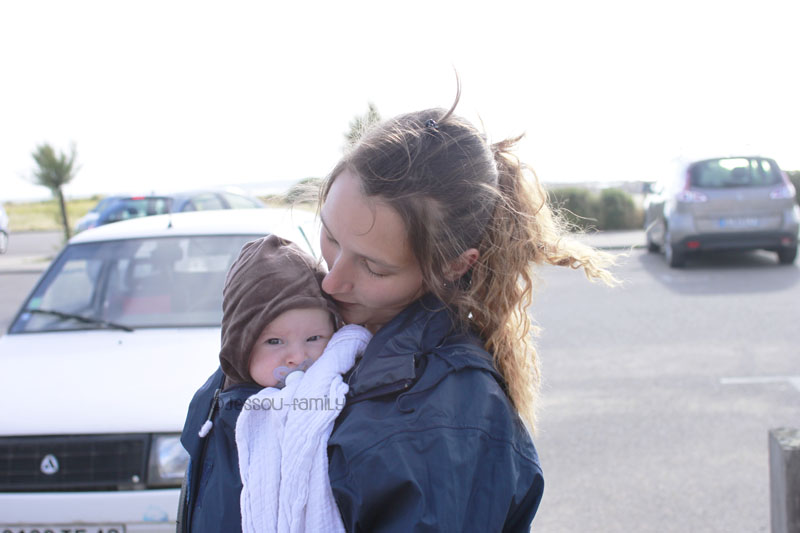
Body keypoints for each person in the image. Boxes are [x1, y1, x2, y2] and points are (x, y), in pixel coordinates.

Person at [318, 98, 616, 531]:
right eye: (330, 237)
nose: (331, 281)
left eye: (374, 267)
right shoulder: (295, 321)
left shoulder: (448, 419)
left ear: (453, 265)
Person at [177, 234, 370, 532]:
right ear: (240, 345)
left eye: (314, 338)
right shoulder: (215, 405)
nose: (298, 357)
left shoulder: (334, 403)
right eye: (274, 341)